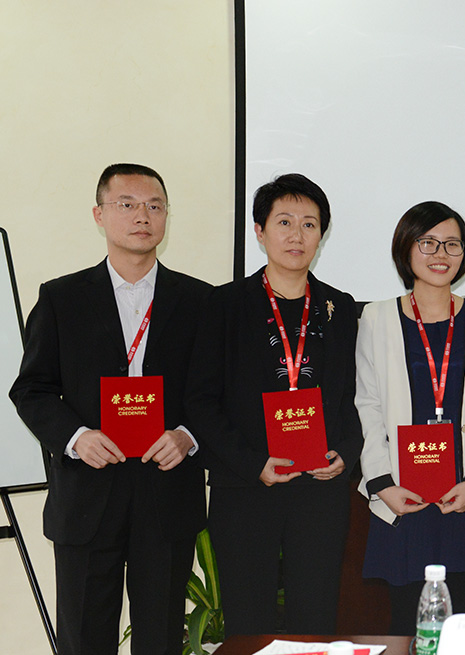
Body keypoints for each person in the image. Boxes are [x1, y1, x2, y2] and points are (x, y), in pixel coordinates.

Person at [10, 163, 210, 655]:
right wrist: (77, 438)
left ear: (166, 217)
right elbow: (32, 389)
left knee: (161, 639)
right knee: (83, 639)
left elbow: (215, 392)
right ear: (99, 215)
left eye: (155, 206)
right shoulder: (61, 298)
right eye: (127, 204)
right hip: (88, 495)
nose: (143, 216)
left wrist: (187, 435)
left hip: (167, 493)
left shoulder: (201, 301)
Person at [186, 173, 363, 635]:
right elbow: (200, 401)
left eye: (309, 224)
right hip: (246, 488)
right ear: (260, 231)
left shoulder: (340, 308)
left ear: (321, 235)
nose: (296, 234)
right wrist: (253, 464)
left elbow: (352, 397)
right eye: (284, 221)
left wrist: (346, 453)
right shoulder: (224, 305)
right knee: (248, 623)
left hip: (319, 490)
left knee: (315, 619)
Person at [355, 201, 465, 635]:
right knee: (407, 626)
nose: (441, 254)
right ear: (406, 248)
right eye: (428, 243)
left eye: (452, 244)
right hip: (402, 495)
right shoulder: (377, 317)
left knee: (457, 629)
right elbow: (367, 404)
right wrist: (382, 483)